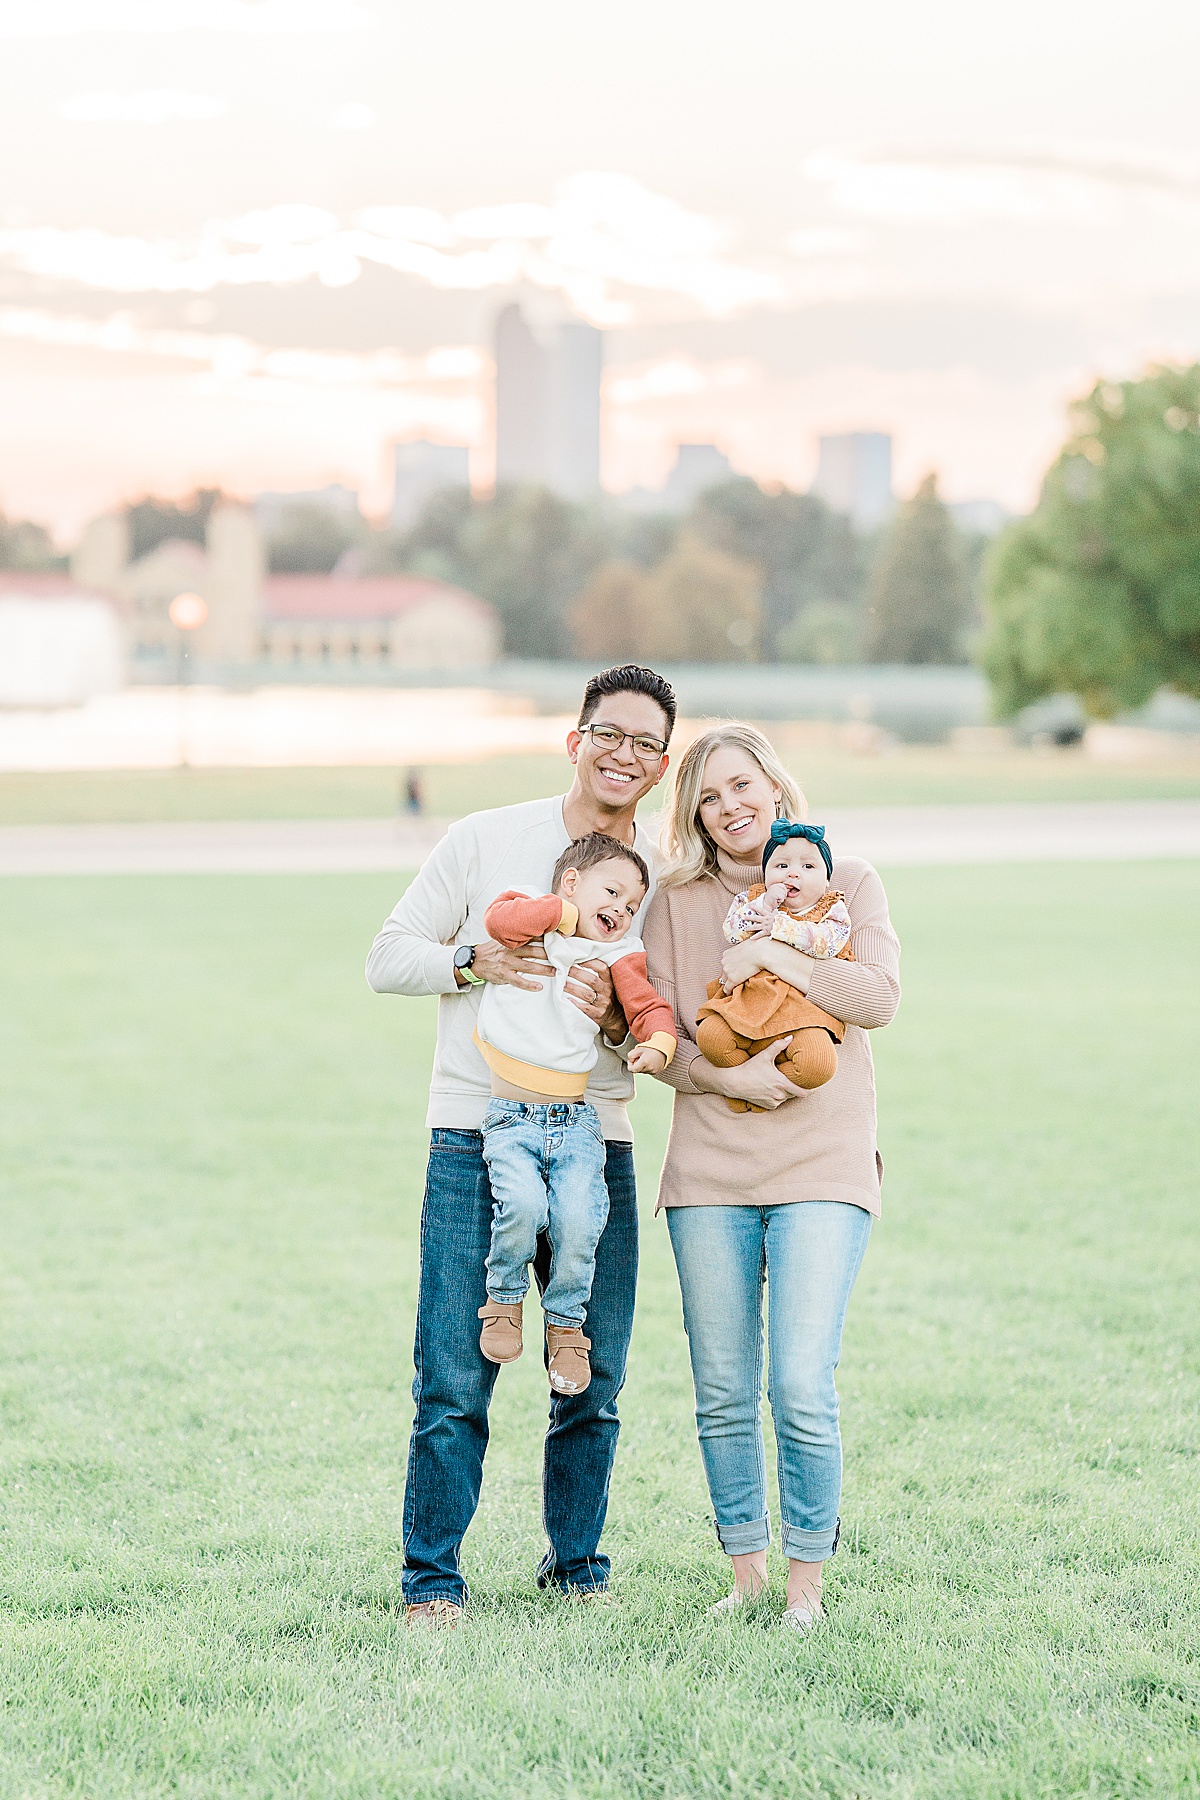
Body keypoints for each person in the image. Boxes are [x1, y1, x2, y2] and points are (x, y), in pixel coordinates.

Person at [365, 665, 676, 1627]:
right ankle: (432, 1582)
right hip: (474, 1133)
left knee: (595, 1373)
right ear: (574, 739)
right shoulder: (487, 838)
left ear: (663, 766)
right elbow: (388, 955)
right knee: (456, 1374)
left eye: (647, 744)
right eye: (609, 734)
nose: (625, 754)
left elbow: (658, 1015)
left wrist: (622, 1028)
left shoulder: (666, 874)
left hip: (598, 1136)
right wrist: (474, 960)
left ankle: (576, 1566)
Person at [642, 722, 900, 1630]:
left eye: (743, 785)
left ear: (777, 788)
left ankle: (805, 1587)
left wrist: (769, 954)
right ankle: (746, 1575)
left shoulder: (848, 880)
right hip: (709, 1167)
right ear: (696, 816)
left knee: (797, 1381)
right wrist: (728, 1076)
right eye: (709, 797)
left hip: (823, 1164)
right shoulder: (676, 901)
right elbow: (662, 1036)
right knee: (721, 1386)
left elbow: (878, 998)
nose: (731, 806)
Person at [476, 833, 676, 1396]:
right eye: (611, 892)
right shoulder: (527, 913)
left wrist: (657, 1042)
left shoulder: (618, 953)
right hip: (510, 1118)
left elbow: (647, 1005)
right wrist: (563, 914)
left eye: (632, 904)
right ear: (569, 884)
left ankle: (566, 1325)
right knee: (520, 1206)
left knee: (579, 1221)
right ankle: (505, 1296)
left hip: (575, 1122)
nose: (621, 909)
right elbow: (500, 925)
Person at [695, 819, 855, 1109]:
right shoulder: (753, 899)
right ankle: (744, 1079)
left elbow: (826, 944)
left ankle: (766, 1091)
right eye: (781, 866)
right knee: (711, 1038)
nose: (793, 873)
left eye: (808, 867)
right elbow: (733, 931)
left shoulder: (831, 910)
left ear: (827, 879)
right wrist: (765, 906)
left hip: (803, 1011)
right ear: (766, 873)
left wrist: (778, 926)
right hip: (749, 1002)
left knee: (817, 1064)